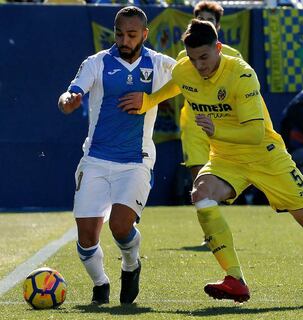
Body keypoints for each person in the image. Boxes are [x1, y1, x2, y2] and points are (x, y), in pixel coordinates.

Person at [122, 19, 303, 304]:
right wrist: (148, 101)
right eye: (193, 58)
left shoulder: (241, 75)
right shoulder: (185, 70)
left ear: (218, 47)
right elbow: (177, 83)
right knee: (201, 193)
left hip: (266, 157)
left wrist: (216, 130)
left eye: (204, 57)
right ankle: (235, 280)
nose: (199, 65)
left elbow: (253, 133)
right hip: (226, 158)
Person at [57, 6, 175, 305]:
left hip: (136, 160)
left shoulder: (159, 64)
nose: (125, 40)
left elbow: (189, 79)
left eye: (132, 35)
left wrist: (150, 99)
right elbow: (70, 93)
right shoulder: (97, 62)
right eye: (120, 34)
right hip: (95, 159)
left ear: (145, 35)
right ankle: (100, 283)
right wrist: (68, 101)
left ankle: (131, 265)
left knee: (120, 227)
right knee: (86, 237)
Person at [176, 0, 242, 182]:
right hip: (194, 124)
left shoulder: (234, 57)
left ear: (218, 26)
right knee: (199, 178)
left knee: (221, 181)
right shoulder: (183, 57)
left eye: (210, 20)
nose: (204, 22)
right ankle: (206, 209)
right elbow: (174, 87)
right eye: (200, 18)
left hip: (223, 126)